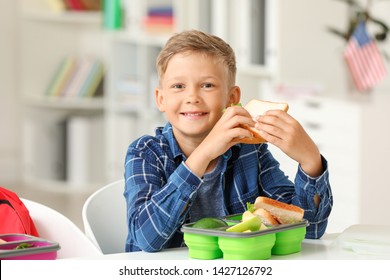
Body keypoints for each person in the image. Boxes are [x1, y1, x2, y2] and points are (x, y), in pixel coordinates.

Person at [124, 30, 333, 252]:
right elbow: (146, 238)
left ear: (232, 98)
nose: (192, 97)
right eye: (178, 86)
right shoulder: (144, 152)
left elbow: (309, 230)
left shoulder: (249, 151)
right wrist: (203, 154)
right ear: (161, 99)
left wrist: (311, 161)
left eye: (207, 85)